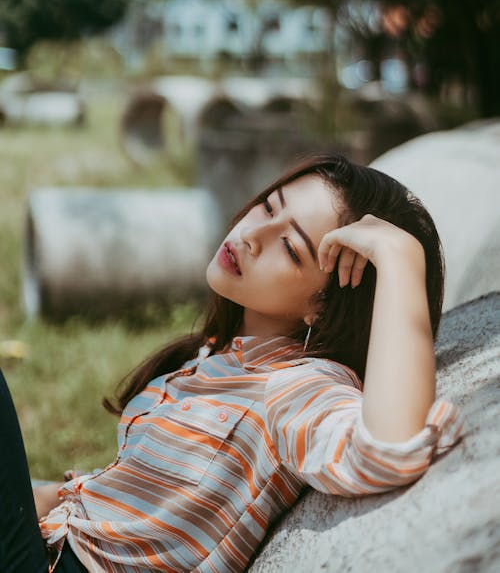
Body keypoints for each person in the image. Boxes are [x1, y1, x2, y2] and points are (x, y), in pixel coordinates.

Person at [2, 153, 464, 573]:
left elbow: (386, 449)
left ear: (321, 307)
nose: (251, 235)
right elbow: (105, 500)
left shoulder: (295, 385)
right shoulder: (216, 355)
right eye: (268, 207)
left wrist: (400, 256)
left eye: (290, 247)